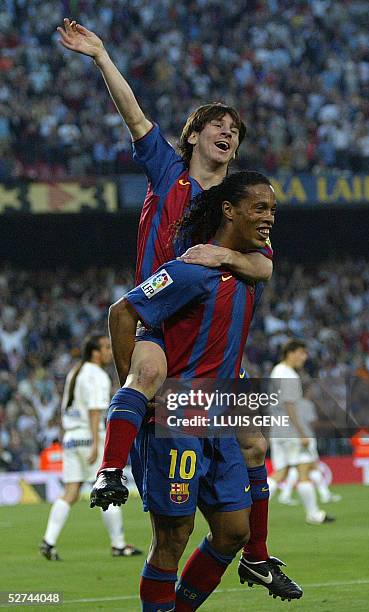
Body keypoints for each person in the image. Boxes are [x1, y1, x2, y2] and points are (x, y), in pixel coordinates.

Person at [57, 18, 275, 591]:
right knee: (148, 372)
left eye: (236, 130)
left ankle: (258, 551)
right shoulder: (167, 172)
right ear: (196, 135)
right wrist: (101, 55)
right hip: (159, 318)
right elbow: (133, 114)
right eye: (218, 126)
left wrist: (221, 258)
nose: (229, 134)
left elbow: (265, 264)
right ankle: (110, 471)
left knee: (255, 438)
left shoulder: (238, 203)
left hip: (213, 342)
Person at [95, 171, 302, 609]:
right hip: (179, 421)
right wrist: (134, 387)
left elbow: (265, 262)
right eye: (260, 209)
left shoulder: (250, 264)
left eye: (273, 211)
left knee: (233, 532)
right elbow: (122, 313)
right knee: (173, 538)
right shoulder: (190, 270)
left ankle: (239, 569)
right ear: (229, 210)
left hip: (221, 417)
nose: (269, 218)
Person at [39, 334, 141, 560]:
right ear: (95, 352)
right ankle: (119, 544)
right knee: (109, 487)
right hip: (89, 436)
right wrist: (97, 442)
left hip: (72, 437)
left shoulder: (76, 372)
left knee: (70, 493)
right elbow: (95, 411)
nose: (109, 351)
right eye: (105, 347)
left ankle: (49, 541)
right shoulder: (97, 375)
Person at [269, 340, 335, 525]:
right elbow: (289, 405)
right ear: (290, 353)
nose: (304, 357)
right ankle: (313, 514)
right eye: (301, 353)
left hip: (278, 429)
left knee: (280, 472)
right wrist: (301, 432)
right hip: (290, 430)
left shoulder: (276, 371)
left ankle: (250, 512)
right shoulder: (288, 374)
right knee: (304, 469)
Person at [277, 386, 341, 505]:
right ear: (307, 391)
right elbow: (313, 424)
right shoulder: (307, 404)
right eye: (312, 390)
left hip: (293, 437)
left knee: (299, 467)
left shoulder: (293, 404)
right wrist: (330, 425)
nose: (314, 393)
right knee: (311, 466)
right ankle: (323, 496)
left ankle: (286, 494)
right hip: (306, 438)